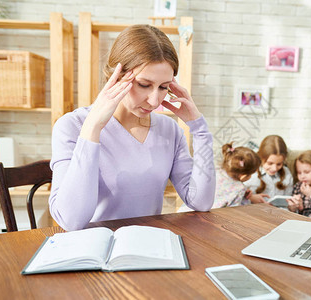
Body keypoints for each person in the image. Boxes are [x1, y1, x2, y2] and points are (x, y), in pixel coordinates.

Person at [49, 24, 216, 231]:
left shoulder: (169, 130)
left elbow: (201, 201)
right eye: (144, 85)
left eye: (163, 87)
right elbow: (71, 221)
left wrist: (199, 128)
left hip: (146, 247)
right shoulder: (72, 125)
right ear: (117, 76)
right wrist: (92, 128)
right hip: (93, 251)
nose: (155, 101)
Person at [178, 142, 261, 212]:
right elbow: (233, 212)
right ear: (244, 176)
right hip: (204, 220)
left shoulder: (214, 170)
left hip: (186, 209)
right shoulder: (239, 188)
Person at [244, 135, 293, 204]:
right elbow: (237, 197)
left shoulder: (286, 173)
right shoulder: (250, 174)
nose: (274, 168)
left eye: (279, 164)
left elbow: (288, 200)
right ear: (261, 158)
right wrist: (251, 198)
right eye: (270, 163)